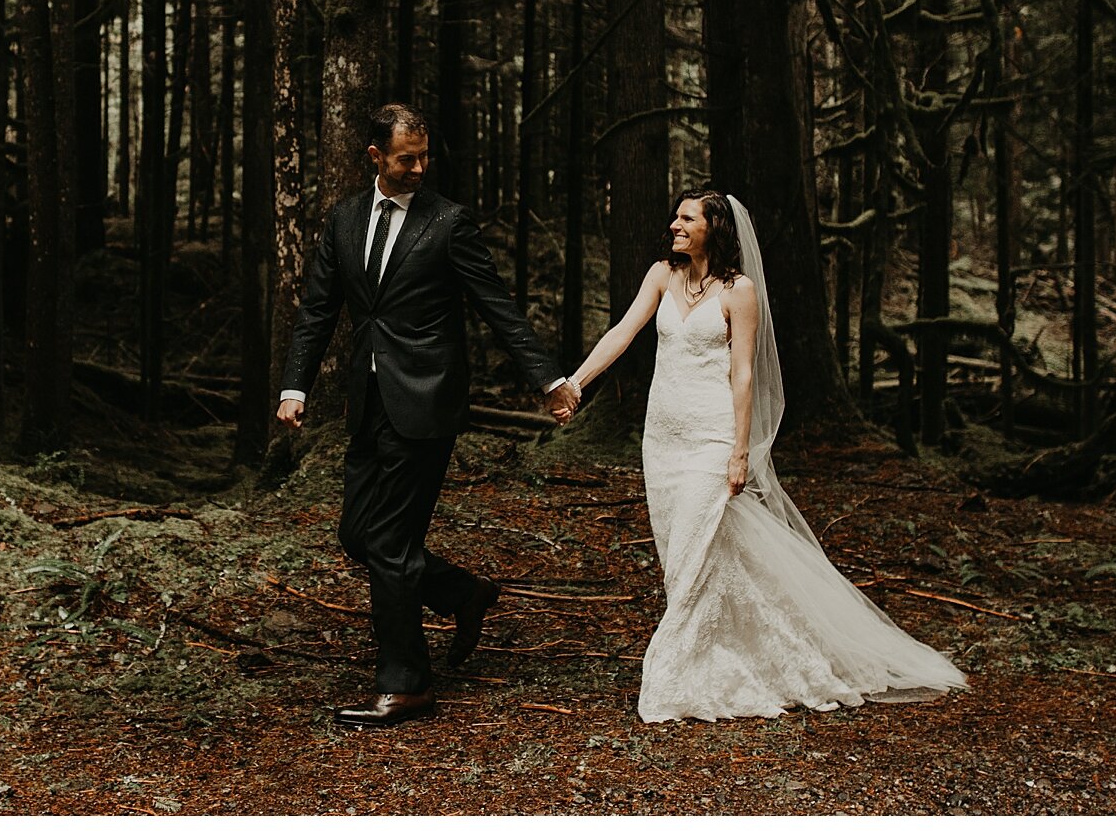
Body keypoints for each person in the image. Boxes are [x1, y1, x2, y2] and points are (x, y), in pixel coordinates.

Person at [566, 189, 969, 722]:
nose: (675, 226)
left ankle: (677, 678)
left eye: (687, 219)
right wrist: (576, 383)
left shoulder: (740, 291)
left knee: (693, 551)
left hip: (711, 437)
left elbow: (744, 373)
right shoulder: (662, 275)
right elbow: (623, 331)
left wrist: (740, 450)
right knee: (684, 556)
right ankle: (745, 652)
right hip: (662, 438)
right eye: (675, 217)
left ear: (715, 226)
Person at [278, 102, 580, 727]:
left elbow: (497, 304)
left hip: (428, 403)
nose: (418, 168)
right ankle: (464, 594)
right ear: (375, 158)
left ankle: (406, 684)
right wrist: (294, 387)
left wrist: (547, 378)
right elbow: (317, 311)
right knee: (357, 536)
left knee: (388, 542)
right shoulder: (344, 220)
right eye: (404, 158)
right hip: (368, 404)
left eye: (423, 157)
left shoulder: (449, 223)